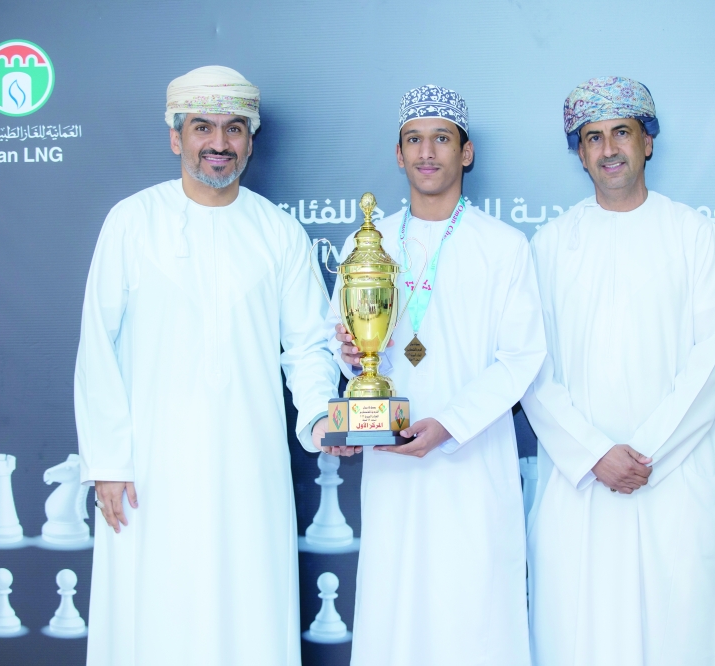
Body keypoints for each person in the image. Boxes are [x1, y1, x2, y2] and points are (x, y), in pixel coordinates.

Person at [75, 65, 339, 666]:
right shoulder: (130, 222)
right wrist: (109, 462)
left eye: (234, 129)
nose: (218, 143)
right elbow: (98, 346)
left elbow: (307, 346)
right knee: (153, 616)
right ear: (176, 136)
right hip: (148, 470)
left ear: (251, 139)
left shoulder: (279, 233)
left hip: (249, 469)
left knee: (247, 613)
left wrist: (321, 417)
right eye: (202, 127)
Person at [318, 84, 544, 666]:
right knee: (397, 611)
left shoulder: (504, 246)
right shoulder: (367, 243)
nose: (427, 152)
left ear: (464, 152)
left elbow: (520, 357)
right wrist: (350, 352)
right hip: (391, 463)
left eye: (441, 139)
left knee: (475, 612)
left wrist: (450, 423)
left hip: (472, 462)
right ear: (398, 154)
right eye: (414, 140)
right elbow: (339, 345)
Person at [521, 76, 715, 666]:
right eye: (593, 137)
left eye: (622, 132)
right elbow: (531, 366)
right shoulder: (550, 244)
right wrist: (594, 453)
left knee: (672, 633)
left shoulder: (691, 232)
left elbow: (714, 352)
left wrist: (643, 452)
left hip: (672, 477)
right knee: (578, 635)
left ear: (648, 142)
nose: (609, 148)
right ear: (580, 152)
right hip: (581, 483)